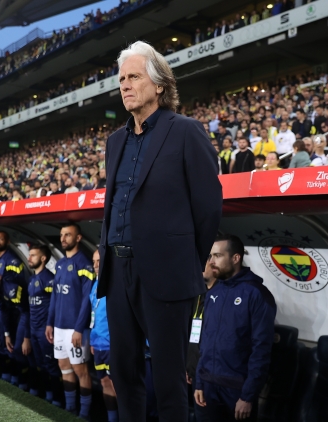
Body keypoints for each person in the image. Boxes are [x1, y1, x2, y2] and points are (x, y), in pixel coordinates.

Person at [98, 41, 222, 422]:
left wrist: (185, 263)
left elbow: (208, 207)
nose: (125, 85)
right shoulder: (115, 141)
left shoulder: (186, 131)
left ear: (159, 84)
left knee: (170, 382)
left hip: (167, 275)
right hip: (118, 274)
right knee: (124, 375)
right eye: (122, 79)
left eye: (134, 76)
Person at [194, 234, 276, 421]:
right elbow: (205, 341)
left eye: (217, 256)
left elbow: (261, 349)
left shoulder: (257, 294)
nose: (211, 261)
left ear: (236, 258)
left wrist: (248, 396)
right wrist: (199, 382)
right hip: (207, 386)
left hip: (237, 390)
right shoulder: (213, 292)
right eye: (210, 256)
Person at [46, 224, 95, 417]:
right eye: (61, 235)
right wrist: (50, 322)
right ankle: (70, 408)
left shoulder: (84, 264)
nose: (63, 238)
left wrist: (79, 328)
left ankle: (85, 412)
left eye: (68, 235)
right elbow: (55, 296)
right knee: (64, 368)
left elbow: (87, 300)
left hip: (75, 329)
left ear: (78, 238)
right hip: (59, 327)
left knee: (81, 370)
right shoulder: (59, 264)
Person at [0, 230, 30, 384]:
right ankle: (6, 373)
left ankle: (18, 378)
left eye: (0, 239)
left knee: (13, 346)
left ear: (7, 242)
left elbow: (19, 287)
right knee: (0, 343)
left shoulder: (13, 261)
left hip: (12, 311)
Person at [26, 244, 63, 407]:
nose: (29, 258)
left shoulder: (49, 279)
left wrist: (51, 325)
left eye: (33, 255)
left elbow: (56, 304)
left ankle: (58, 400)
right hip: (34, 329)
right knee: (40, 364)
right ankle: (47, 395)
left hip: (45, 330)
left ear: (43, 258)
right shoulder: (32, 279)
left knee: (51, 366)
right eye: (29, 255)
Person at [186, 261, 218, 422]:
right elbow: (191, 332)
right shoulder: (198, 293)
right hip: (195, 372)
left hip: (211, 374)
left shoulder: (221, 296)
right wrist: (189, 366)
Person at [90, 249, 119, 422]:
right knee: (104, 383)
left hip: (112, 345)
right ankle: (111, 418)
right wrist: (92, 340)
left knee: (117, 386)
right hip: (98, 344)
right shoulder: (95, 284)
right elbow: (94, 315)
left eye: (99, 261)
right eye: (94, 261)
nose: (96, 265)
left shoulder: (115, 284)